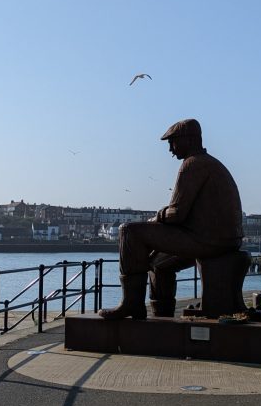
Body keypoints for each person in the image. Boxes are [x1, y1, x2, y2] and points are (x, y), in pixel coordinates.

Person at [99, 118, 244, 320]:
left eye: (173, 142)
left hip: (208, 240)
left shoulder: (192, 165)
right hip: (224, 239)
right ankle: (161, 316)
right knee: (158, 263)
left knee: (129, 231)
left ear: (189, 140)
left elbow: (177, 214)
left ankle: (132, 304)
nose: (170, 149)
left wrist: (155, 218)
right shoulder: (211, 164)